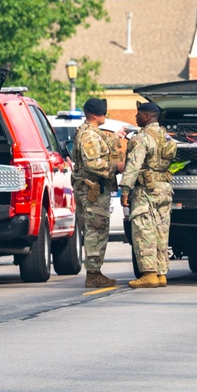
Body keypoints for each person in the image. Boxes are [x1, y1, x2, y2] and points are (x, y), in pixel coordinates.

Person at [120, 101, 176, 289]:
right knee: (162, 230)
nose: (136, 117)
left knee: (144, 229)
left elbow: (133, 166)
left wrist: (125, 190)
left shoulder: (141, 138)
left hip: (146, 190)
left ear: (147, 116)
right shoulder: (167, 137)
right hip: (164, 188)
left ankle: (149, 273)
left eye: (139, 113)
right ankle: (161, 273)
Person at [71, 97, 122, 288]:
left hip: (95, 189)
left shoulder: (93, 133)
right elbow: (92, 164)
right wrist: (117, 166)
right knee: (95, 229)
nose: (104, 115)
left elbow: (102, 145)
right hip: (92, 189)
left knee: (98, 228)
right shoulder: (89, 136)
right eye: (102, 112)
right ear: (93, 114)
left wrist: (116, 137)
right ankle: (93, 274)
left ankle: (95, 272)